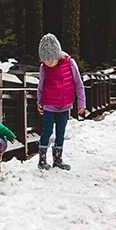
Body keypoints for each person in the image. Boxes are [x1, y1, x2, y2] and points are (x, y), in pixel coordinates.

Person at [37, 33, 86, 170]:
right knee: (46, 131)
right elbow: (40, 86)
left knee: (60, 132)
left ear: (57, 55)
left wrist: (81, 103)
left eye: (50, 61)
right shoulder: (43, 68)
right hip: (49, 106)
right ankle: (42, 160)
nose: (48, 64)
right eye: (45, 62)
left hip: (65, 106)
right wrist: (39, 102)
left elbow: (78, 83)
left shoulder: (70, 63)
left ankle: (57, 160)